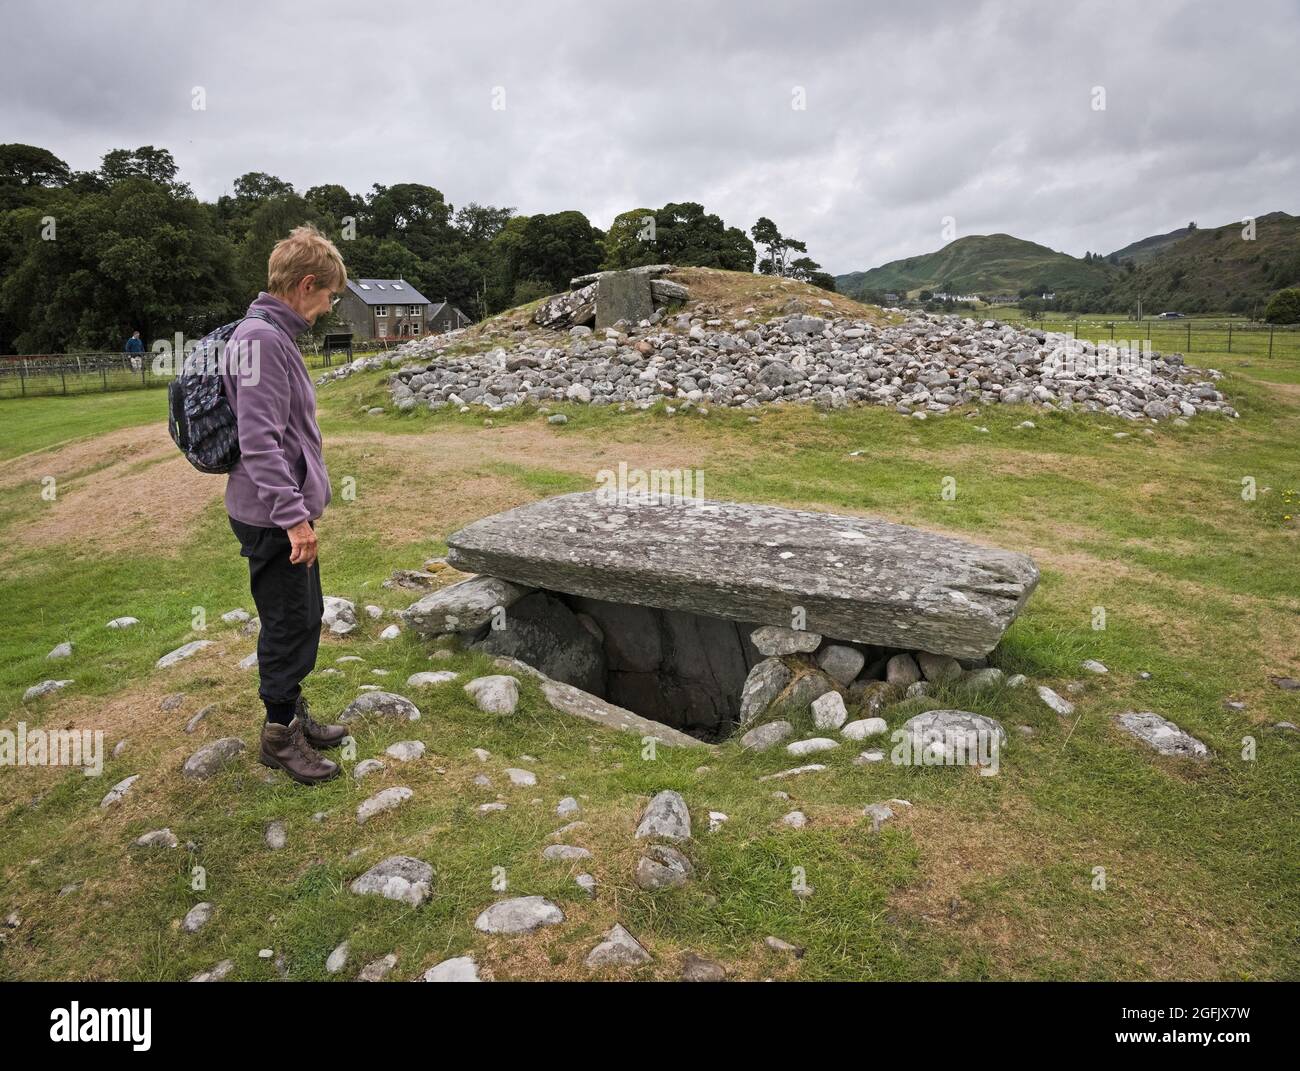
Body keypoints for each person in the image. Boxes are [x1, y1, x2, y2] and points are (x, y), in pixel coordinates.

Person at [221, 224, 349, 785]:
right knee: (287, 623)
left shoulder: (271, 334)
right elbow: (259, 441)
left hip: (281, 513)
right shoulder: (262, 341)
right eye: (329, 295)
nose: (327, 307)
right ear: (305, 284)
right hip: (272, 517)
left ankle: (293, 713)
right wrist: (294, 519)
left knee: (304, 616)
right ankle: (278, 737)